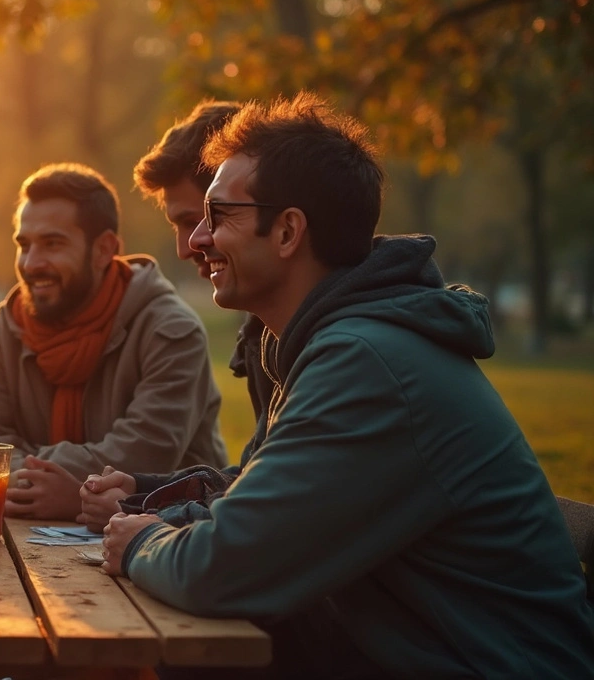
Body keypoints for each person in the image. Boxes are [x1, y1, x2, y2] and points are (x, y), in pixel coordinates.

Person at [102, 93, 594, 678]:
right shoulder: (320, 344)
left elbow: (223, 568)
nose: (196, 241)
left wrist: (139, 545)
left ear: (287, 231)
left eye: (218, 216)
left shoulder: (367, 362)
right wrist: (148, 513)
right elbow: (254, 511)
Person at [0, 162, 226, 521]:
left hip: (168, 544)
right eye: (24, 245)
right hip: (30, 551)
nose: (31, 263)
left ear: (105, 249)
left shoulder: (170, 330)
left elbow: (146, 459)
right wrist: (49, 481)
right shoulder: (11, 325)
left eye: (52, 244)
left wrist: (25, 475)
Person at [79, 101, 273, 532]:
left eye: (203, 219)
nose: (189, 246)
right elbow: (256, 482)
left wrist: (139, 517)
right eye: (180, 226)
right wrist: (137, 493)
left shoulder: (350, 351)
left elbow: (271, 524)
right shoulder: (271, 334)